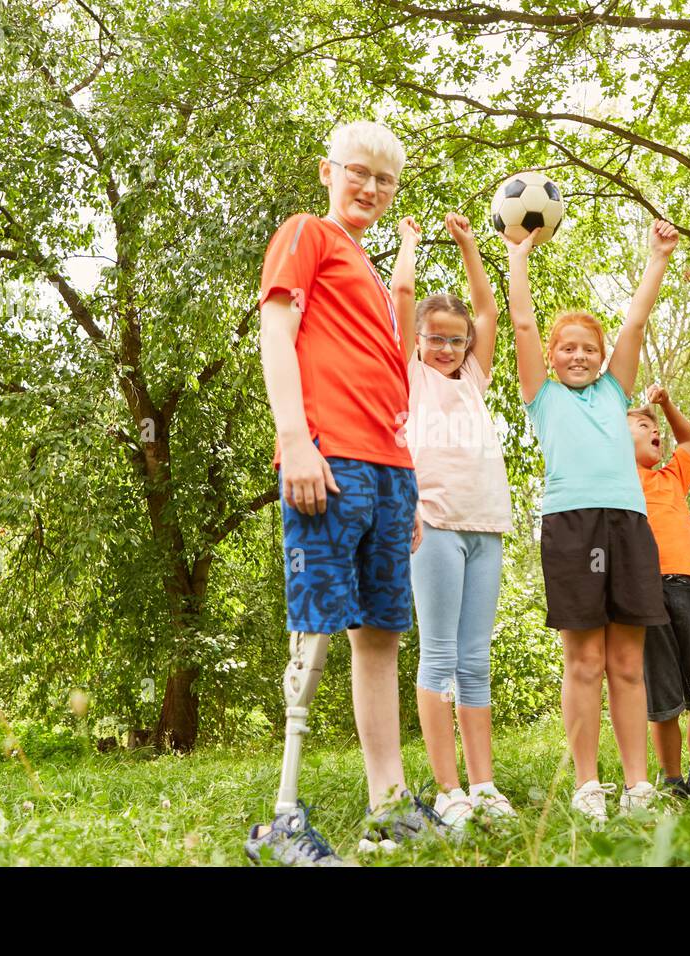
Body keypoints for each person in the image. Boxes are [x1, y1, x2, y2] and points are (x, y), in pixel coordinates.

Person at [246, 120, 443, 865]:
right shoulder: (308, 234)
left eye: (384, 180)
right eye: (358, 172)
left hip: (390, 472)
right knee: (316, 633)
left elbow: (389, 381)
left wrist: (411, 483)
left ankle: (389, 806)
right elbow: (277, 326)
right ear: (329, 171)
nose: (370, 188)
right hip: (328, 461)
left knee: (381, 636)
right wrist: (294, 438)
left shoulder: (365, 263)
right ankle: (284, 821)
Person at [506, 217, 677, 823]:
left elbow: (634, 321)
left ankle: (636, 785)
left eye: (588, 348)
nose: (578, 355)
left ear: (602, 359)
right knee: (583, 661)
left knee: (627, 662)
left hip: (628, 526)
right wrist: (517, 257)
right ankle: (587, 785)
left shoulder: (613, 391)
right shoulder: (541, 396)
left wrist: (655, 257)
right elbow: (522, 321)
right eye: (566, 348)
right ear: (550, 359)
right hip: (571, 527)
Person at [390, 212, 515, 828]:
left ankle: (484, 783)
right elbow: (403, 295)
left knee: (475, 659)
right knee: (438, 655)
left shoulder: (474, 378)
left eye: (455, 339)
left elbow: (487, 311)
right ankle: (447, 789)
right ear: (417, 340)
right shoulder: (408, 376)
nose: (446, 348)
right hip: (433, 523)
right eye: (435, 337)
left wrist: (470, 245)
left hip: (485, 525)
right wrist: (412, 243)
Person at [628, 385, 690, 799]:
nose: (656, 432)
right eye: (642, 424)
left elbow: (689, 440)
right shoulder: (614, 481)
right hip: (646, 595)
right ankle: (672, 783)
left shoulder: (671, 475)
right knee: (663, 699)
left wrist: (664, 405)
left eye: (655, 427)